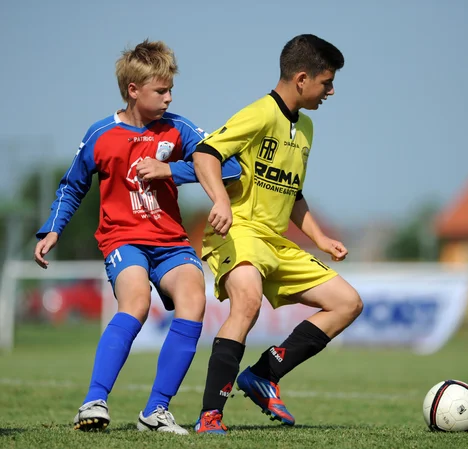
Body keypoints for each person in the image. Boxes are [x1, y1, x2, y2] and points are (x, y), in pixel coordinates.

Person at [33, 39, 241, 434]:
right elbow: (72, 185)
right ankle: (94, 401)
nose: (169, 97)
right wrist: (53, 229)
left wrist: (172, 171)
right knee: (137, 302)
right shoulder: (100, 134)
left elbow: (229, 168)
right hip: (122, 239)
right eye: (161, 90)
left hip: (171, 241)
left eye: (170, 90)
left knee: (194, 300)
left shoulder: (179, 129)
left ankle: (156, 411)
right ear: (133, 90)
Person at [191, 34, 364, 435]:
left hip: (275, 241)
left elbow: (293, 192)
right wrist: (219, 200)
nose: (331, 91)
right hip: (238, 232)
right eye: (327, 82)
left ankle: (264, 375)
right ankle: (210, 416)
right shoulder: (259, 114)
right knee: (247, 302)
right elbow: (204, 153)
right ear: (302, 78)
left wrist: (319, 238)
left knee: (347, 303)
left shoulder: (305, 128)